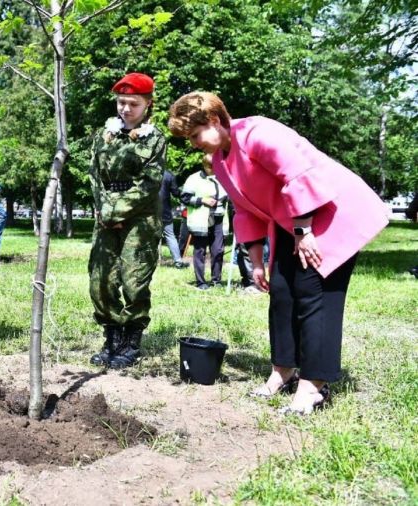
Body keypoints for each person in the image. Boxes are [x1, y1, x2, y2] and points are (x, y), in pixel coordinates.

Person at [168, 91, 388, 414]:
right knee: (282, 291)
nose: (193, 143)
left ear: (214, 120)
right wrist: (257, 262)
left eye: (195, 135)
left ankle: (313, 386)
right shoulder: (220, 161)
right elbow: (245, 211)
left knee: (315, 293)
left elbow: (297, 173)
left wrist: (304, 231)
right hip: (293, 223)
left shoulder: (258, 133)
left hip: (328, 213)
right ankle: (283, 370)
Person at [87, 72, 166, 370]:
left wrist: (116, 213)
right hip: (105, 216)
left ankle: (131, 340)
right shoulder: (104, 134)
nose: (125, 109)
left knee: (134, 280)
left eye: (133, 103)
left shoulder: (155, 139)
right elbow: (94, 176)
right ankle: (112, 335)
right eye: (121, 102)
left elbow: (149, 184)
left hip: (140, 219)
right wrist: (105, 211)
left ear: (148, 104)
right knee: (101, 280)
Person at [180, 153, 228, 290]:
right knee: (200, 251)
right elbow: (184, 198)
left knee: (218, 250)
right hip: (200, 220)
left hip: (219, 218)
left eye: (216, 167)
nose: (213, 170)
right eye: (211, 167)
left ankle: (216, 280)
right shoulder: (193, 178)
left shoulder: (223, 175)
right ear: (205, 166)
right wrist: (202, 200)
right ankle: (201, 282)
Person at [159, 169, 187, 268]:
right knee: (170, 236)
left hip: (148, 211)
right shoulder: (168, 174)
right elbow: (175, 192)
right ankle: (178, 261)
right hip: (164, 211)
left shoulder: (144, 171)